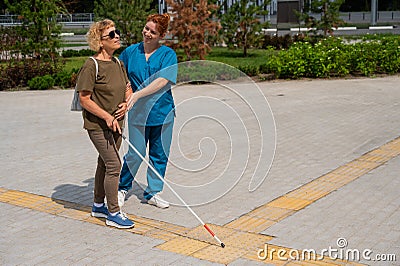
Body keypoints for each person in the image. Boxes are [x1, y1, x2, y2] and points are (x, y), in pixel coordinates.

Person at [76, 19, 134, 228]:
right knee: (114, 165)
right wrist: (107, 116)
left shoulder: (118, 63)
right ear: (100, 41)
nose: (117, 36)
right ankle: (113, 213)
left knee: (104, 162)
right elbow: (84, 99)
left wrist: (127, 104)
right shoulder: (92, 65)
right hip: (98, 126)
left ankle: (98, 205)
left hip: (118, 123)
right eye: (111, 34)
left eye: (116, 32)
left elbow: (128, 88)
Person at [118, 13, 178, 209]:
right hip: (138, 114)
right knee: (136, 153)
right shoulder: (130, 52)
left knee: (159, 154)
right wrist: (127, 93)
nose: (147, 33)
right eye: (146, 28)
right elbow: (120, 74)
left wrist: (137, 94)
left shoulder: (168, 55)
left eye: (153, 32)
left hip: (163, 113)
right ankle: (122, 187)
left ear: (162, 35)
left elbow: (163, 81)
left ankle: (153, 192)